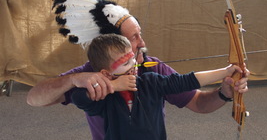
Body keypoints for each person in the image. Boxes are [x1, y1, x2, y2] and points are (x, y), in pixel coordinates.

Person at [27, 0, 249, 140]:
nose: (142, 43)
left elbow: (198, 102)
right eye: (133, 39)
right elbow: (34, 98)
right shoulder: (89, 75)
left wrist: (225, 92)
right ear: (113, 45)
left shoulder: (152, 69)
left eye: (140, 34)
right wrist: (72, 80)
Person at [72, 33, 246, 140]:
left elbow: (186, 81)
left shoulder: (150, 82)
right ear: (107, 73)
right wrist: (112, 86)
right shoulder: (103, 97)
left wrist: (226, 71)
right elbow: (78, 98)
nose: (134, 64)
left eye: (133, 58)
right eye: (125, 63)